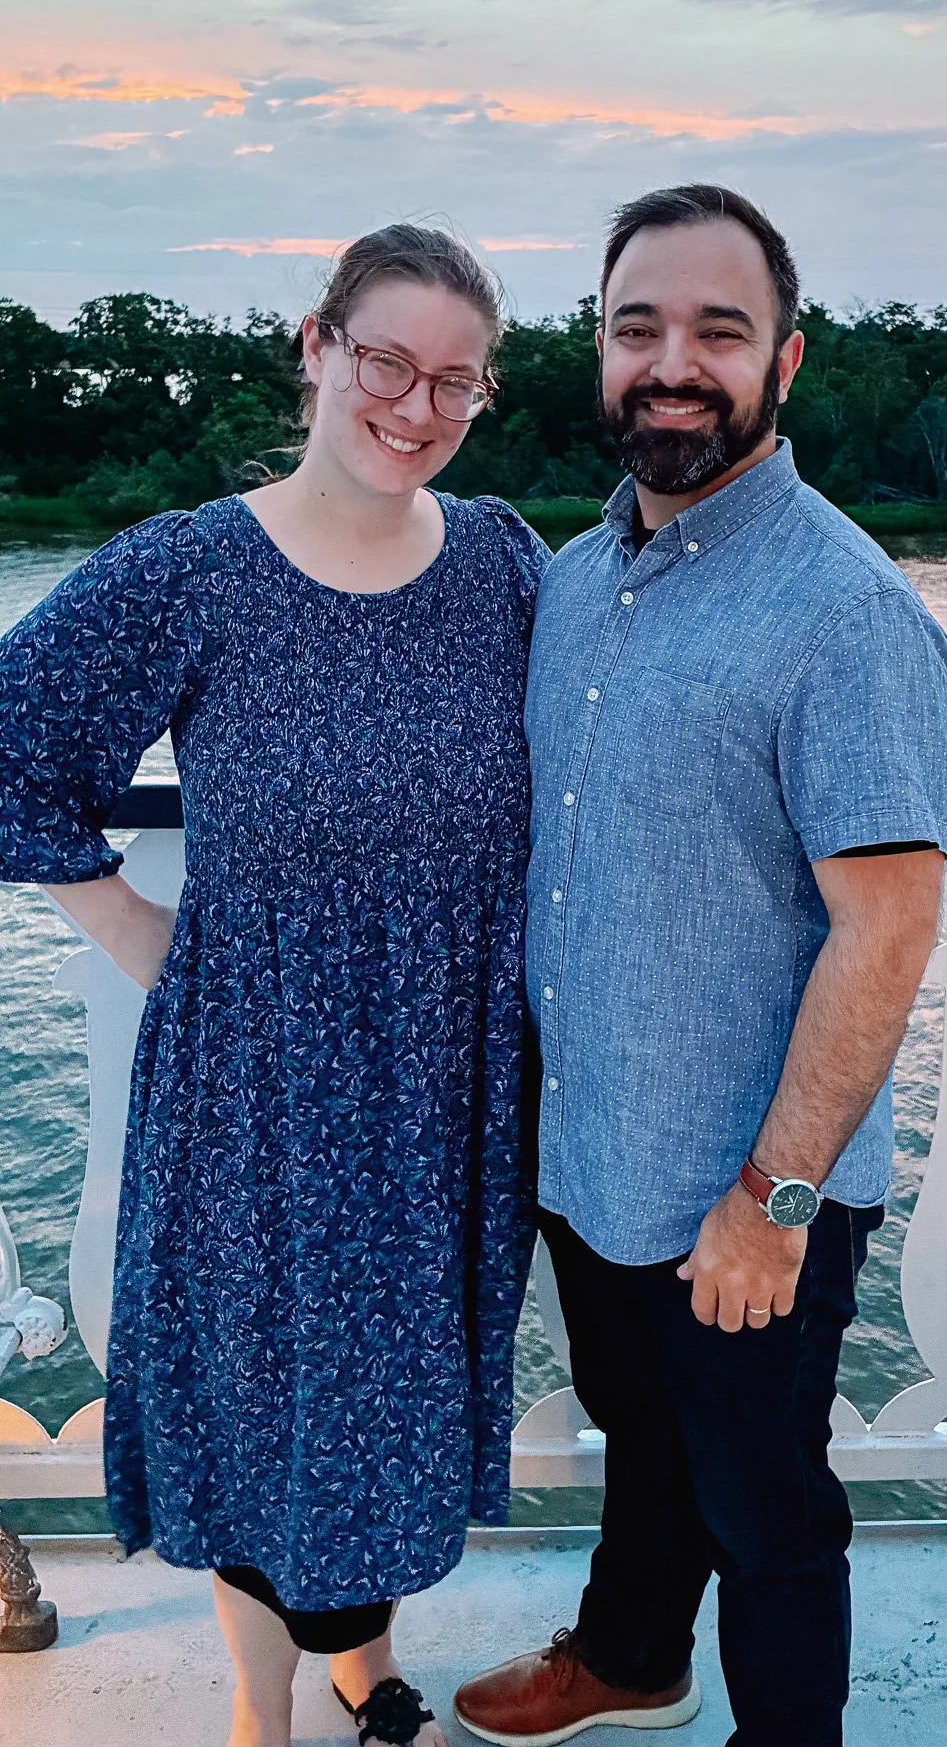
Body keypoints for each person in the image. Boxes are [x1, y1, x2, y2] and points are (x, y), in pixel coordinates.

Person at [0, 225, 549, 1747]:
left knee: (385, 1412)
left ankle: (364, 1666)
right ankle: (265, 1710)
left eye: (455, 379)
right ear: (316, 347)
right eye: (387, 361)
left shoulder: (504, 560)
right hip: (261, 1085)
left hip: (447, 1081)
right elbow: (12, 748)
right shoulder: (192, 565)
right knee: (264, 1406)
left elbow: (622, 740)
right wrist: (140, 937)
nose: (416, 404)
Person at [453, 185, 947, 1747]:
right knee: (639, 1437)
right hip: (594, 1150)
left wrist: (774, 1201)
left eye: (715, 332)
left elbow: (888, 922)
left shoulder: (845, 610)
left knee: (767, 1508)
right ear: (596, 354)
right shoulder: (572, 577)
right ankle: (630, 1655)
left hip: (748, 1188)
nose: (672, 363)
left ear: (783, 361)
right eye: (635, 327)